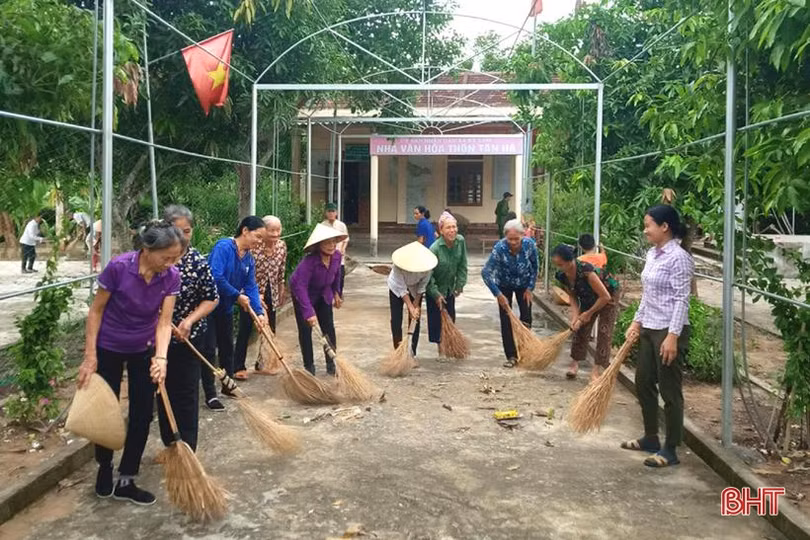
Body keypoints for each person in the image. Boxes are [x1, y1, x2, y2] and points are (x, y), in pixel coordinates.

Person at [77, 220, 185, 505]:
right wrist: (90, 356)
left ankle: (127, 477)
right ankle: (104, 466)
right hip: (109, 347)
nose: (171, 263)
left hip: (143, 349)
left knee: (141, 413)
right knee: (105, 412)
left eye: (176, 258)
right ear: (148, 249)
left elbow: (164, 322)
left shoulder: (171, 277)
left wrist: (161, 358)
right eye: (167, 257)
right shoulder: (119, 268)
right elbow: (96, 311)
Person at [622, 205, 694, 469]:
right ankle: (651, 437)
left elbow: (681, 300)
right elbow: (648, 294)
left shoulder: (679, 258)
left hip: (668, 330)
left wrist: (673, 336)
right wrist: (636, 322)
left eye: (649, 224)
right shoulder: (653, 254)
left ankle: (671, 448)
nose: (645, 229)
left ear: (665, 227)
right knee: (643, 381)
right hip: (650, 326)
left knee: (670, 390)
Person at [156, 206, 221, 443]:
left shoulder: (197, 261)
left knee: (187, 392)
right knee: (163, 391)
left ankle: (188, 447)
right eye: (177, 230)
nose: (183, 236)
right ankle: (170, 443)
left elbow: (212, 297)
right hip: (157, 339)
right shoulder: (157, 260)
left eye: (187, 231)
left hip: (190, 337)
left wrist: (189, 320)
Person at [207, 216, 266, 390]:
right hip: (208, 308)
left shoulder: (248, 258)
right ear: (245, 230)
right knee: (210, 350)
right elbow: (216, 276)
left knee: (227, 348)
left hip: (225, 308)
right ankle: (210, 392)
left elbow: (251, 286)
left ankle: (228, 385)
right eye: (258, 236)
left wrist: (259, 312)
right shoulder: (224, 247)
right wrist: (237, 296)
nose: (259, 242)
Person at [552, 244, 619, 380]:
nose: (559, 268)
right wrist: (576, 316)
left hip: (608, 296)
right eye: (556, 265)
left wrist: (588, 313)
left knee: (604, 332)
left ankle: (596, 369)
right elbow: (572, 296)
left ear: (570, 261)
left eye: (561, 264)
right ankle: (574, 363)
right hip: (588, 297)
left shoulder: (586, 272)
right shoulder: (562, 275)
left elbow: (604, 297)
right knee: (580, 328)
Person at [289, 224, 346, 375]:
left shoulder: (337, 256)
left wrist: (336, 292)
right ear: (318, 245)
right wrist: (308, 312)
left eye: (334, 241)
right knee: (306, 330)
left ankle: (331, 363)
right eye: (327, 243)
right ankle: (309, 367)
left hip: (324, 294)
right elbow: (299, 286)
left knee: (328, 328)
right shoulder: (309, 262)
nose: (331, 245)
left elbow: (337, 275)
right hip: (303, 295)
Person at [482, 219, 539, 367]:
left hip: (524, 285)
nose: (513, 242)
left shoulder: (529, 245)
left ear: (522, 235)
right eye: (510, 239)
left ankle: (525, 351)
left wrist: (530, 288)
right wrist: (498, 294)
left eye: (516, 239)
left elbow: (534, 267)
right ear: (505, 236)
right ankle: (511, 356)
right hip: (504, 285)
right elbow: (486, 273)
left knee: (526, 317)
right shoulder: (499, 248)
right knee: (506, 319)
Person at [248, 215, 287, 374]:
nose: (276, 234)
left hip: (272, 290)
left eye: (278, 230)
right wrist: (256, 295)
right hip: (252, 291)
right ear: (264, 231)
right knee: (247, 328)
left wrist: (281, 288)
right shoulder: (254, 247)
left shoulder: (282, 246)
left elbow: (281, 270)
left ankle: (264, 362)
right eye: (272, 230)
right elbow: (248, 273)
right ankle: (238, 366)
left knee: (270, 326)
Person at [426, 212, 468, 355]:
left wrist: (460, 285)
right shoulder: (435, 249)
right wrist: (435, 294)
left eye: (454, 227)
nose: (452, 230)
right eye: (448, 227)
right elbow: (428, 276)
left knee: (450, 317)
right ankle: (441, 350)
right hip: (435, 287)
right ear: (441, 231)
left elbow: (463, 264)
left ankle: (450, 345)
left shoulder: (460, 241)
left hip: (450, 287)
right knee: (437, 320)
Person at [388, 241, 437, 360]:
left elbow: (422, 287)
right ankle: (398, 351)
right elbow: (402, 289)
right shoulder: (398, 267)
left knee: (415, 319)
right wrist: (410, 306)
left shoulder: (427, 268)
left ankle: (412, 353)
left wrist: (415, 305)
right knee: (396, 319)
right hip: (397, 288)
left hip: (415, 289)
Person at [322, 203, 349, 294]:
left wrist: (343, 249)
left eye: (333, 211)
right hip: (327, 255)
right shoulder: (323, 225)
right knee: (328, 276)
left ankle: (339, 294)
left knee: (340, 276)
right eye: (329, 211)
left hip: (339, 254)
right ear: (326, 213)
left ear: (336, 213)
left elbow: (346, 239)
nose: (331, 214)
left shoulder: (341, 225)